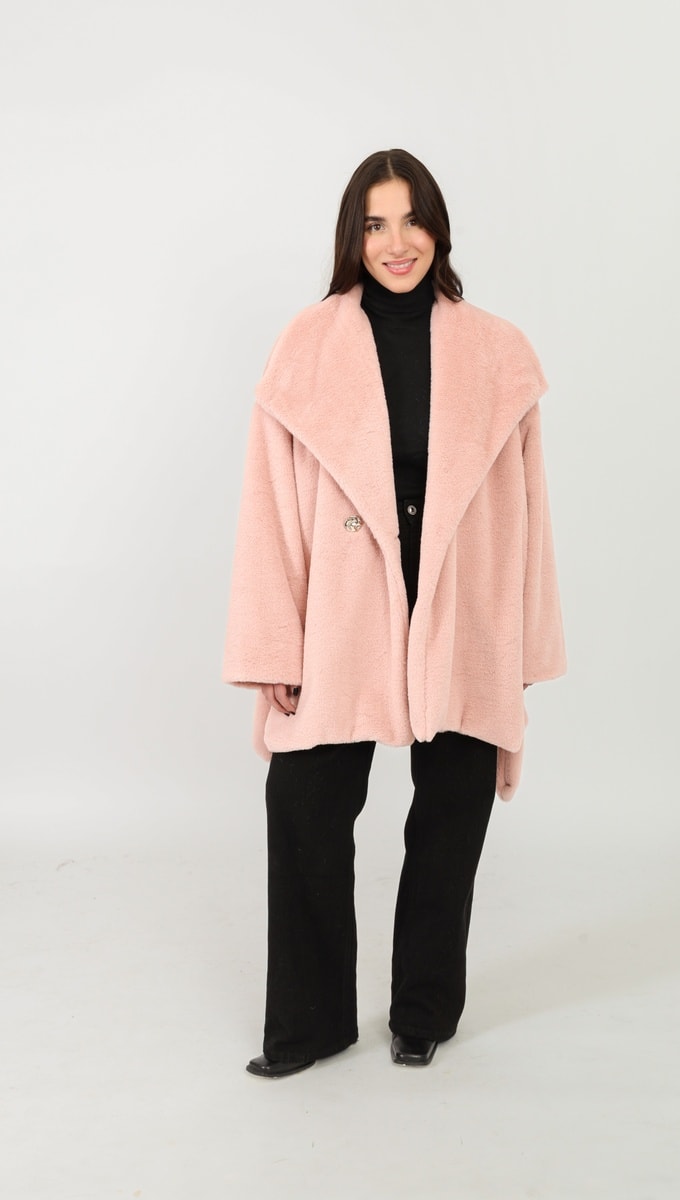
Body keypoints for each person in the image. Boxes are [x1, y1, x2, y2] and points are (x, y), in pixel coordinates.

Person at [222, 148, 566, 1079]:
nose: (396, 242)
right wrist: (274, 646)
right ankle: (310, 1024)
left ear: (438, 228)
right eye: (375, 224)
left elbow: (530, 511)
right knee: (304, 804)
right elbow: (268, 509)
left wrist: (522, 646)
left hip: (463, 608)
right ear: (353, 236)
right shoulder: (306, 347)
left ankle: (422, 1012)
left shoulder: (498, 352)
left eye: (412, 219)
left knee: (450, 816)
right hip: (342, 611)